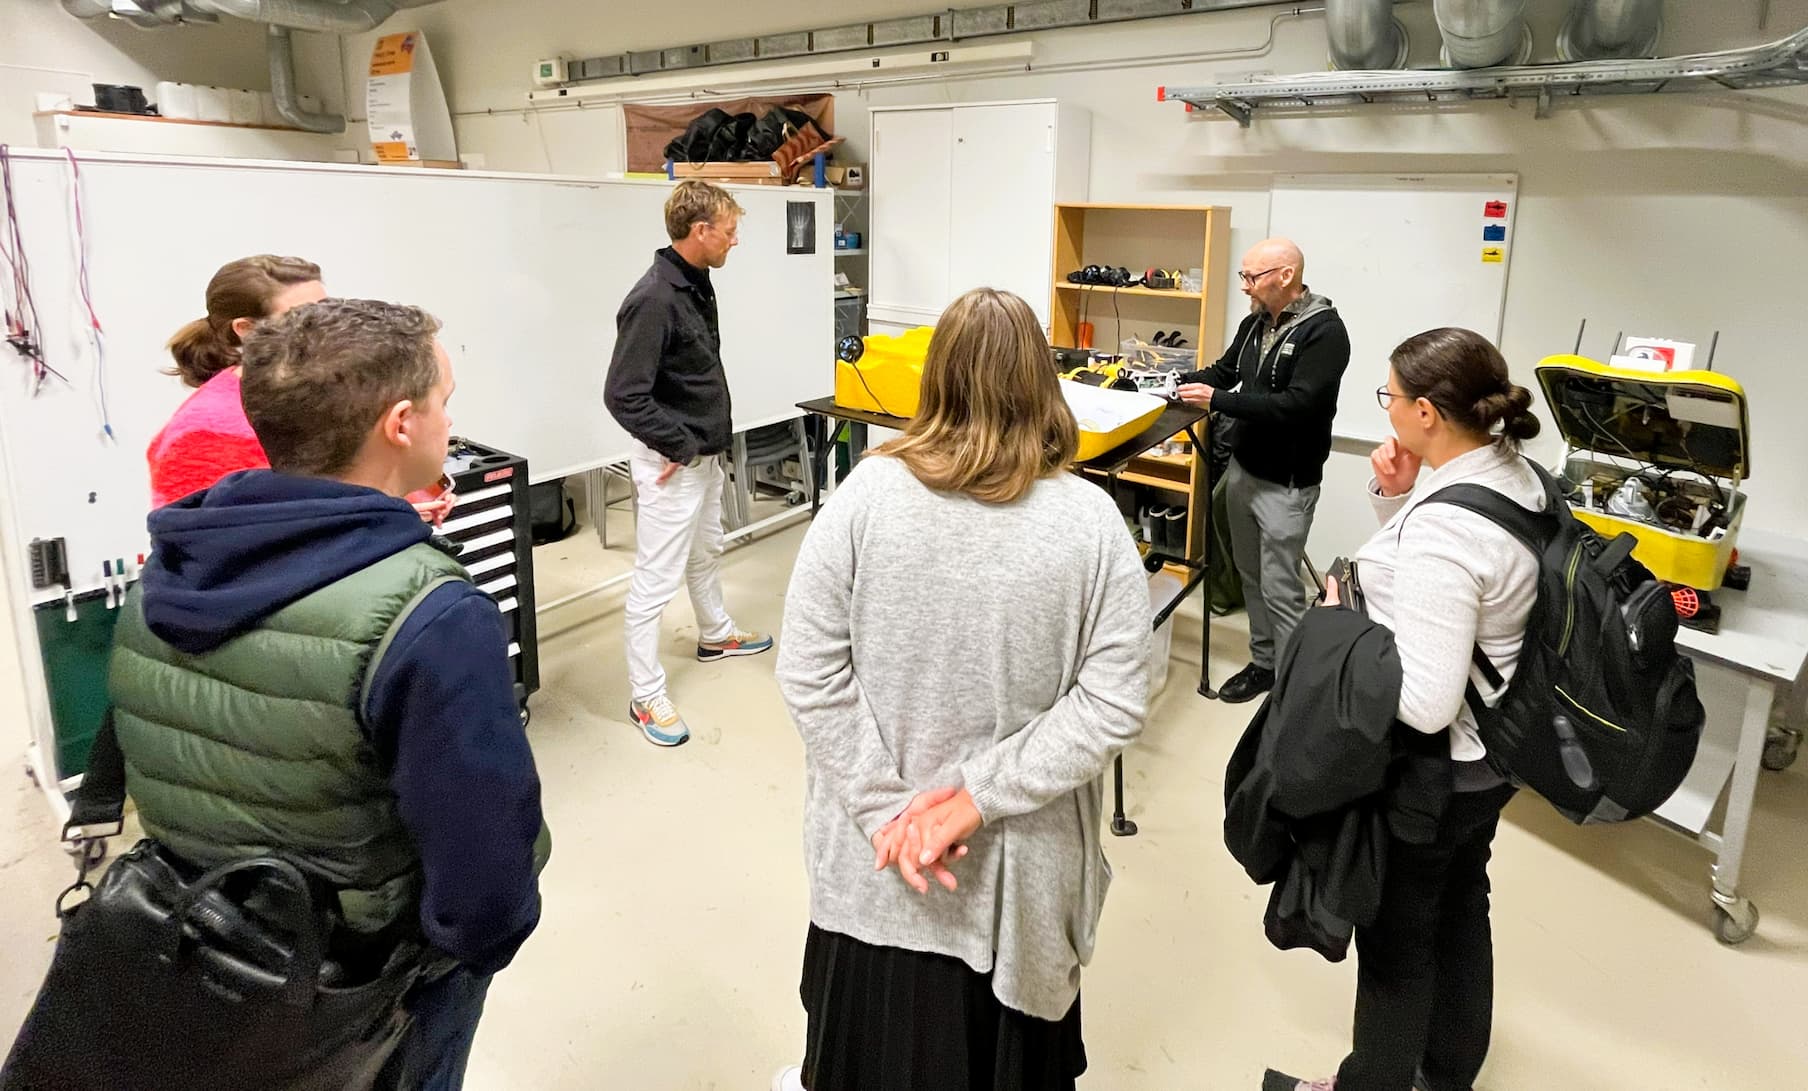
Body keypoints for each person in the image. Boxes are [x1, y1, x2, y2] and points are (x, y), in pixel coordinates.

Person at [108, 299, 549, 1089]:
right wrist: (464, 957)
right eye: (445, 401)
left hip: (210, 942)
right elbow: (484, 875)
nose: (452, 421)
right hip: (371, 985)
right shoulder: (433, 616)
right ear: (401, 424)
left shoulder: (163, 575)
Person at [772, 288, 1151, 1091]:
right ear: (1041, 382)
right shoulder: (1092, 525)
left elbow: (808, 667)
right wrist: (975, 798)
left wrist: (888, 811)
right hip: (1015, 896)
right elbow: (1114, 700)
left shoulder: (863, 496)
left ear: (934, 378)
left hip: (876, 874)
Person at [1266, 327, 1544, 1091]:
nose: (1384, 406)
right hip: (1493, 754)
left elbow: (1423, 702)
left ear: (1426, 411)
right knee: (1461, 910)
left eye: (1389, 394)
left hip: (1434, 775)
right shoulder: (1509, 472)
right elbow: (1451, 602)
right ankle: (1447, 1074)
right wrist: (1398, 497)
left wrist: (1340, 623)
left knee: (1396, 944)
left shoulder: (1448, 529)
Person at [605, 179, 772, 747]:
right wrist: (677, 444)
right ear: (700, 231)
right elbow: (623, 394)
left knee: (706, 553)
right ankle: (645, 696)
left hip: (703, 456)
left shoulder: (695, 283)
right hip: (672, 464)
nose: (735, 240)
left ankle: (715, 634)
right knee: (654, 582)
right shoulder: (654, 299)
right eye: (729, 231)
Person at [147, 255, 455, 524]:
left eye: (327, 311)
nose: (326, 326)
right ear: (246, 330)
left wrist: (411, 494)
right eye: (301, 316)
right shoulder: (201, 433)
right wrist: (379, 516)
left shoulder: (327, 389)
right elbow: (217, 542)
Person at [1176, 238, 1350, 703]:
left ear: (1286, 276)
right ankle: (1264, 664)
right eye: (1244, 276)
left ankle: (1294, 693)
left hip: (1286, 484)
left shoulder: (1325, 333)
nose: (1245, 286)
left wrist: (1218, 400)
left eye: (1252, 277)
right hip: (1244, 472)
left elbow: (1297, 406)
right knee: (1251, 577)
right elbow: (1225, 372)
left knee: (1281, 588)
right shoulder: (1255, 323)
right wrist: (1178, 384)